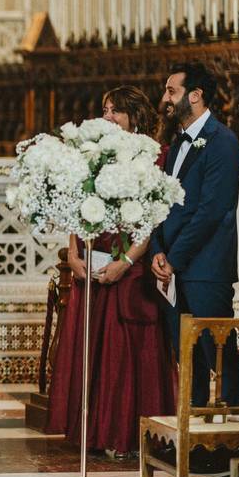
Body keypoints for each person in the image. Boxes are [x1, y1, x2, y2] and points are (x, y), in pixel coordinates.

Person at [45, 86, 177, 457]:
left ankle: (129, 435)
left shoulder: (153, 156)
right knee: (95, 349)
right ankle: (96, 432)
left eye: (116, 111)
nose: (108, 117)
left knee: (127, 349)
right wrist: (73, 254)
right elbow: (76, 205)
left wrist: (129, 260)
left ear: (135, 115)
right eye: (105, 109)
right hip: (94, 260)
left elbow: (153, 218)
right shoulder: (93, 154)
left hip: (129, 265)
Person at [151, 63, 239, 407]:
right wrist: (158, 252)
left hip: (206, 271)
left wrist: (174, 259)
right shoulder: (176, 144)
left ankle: (232, 435)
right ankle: (194, 438)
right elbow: (163, 203)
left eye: (172, 91)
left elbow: (211, 211)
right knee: (187, 358)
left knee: (220, 355)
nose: (165, 99)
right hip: (175, 269)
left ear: (196, 95)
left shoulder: (223, 143)